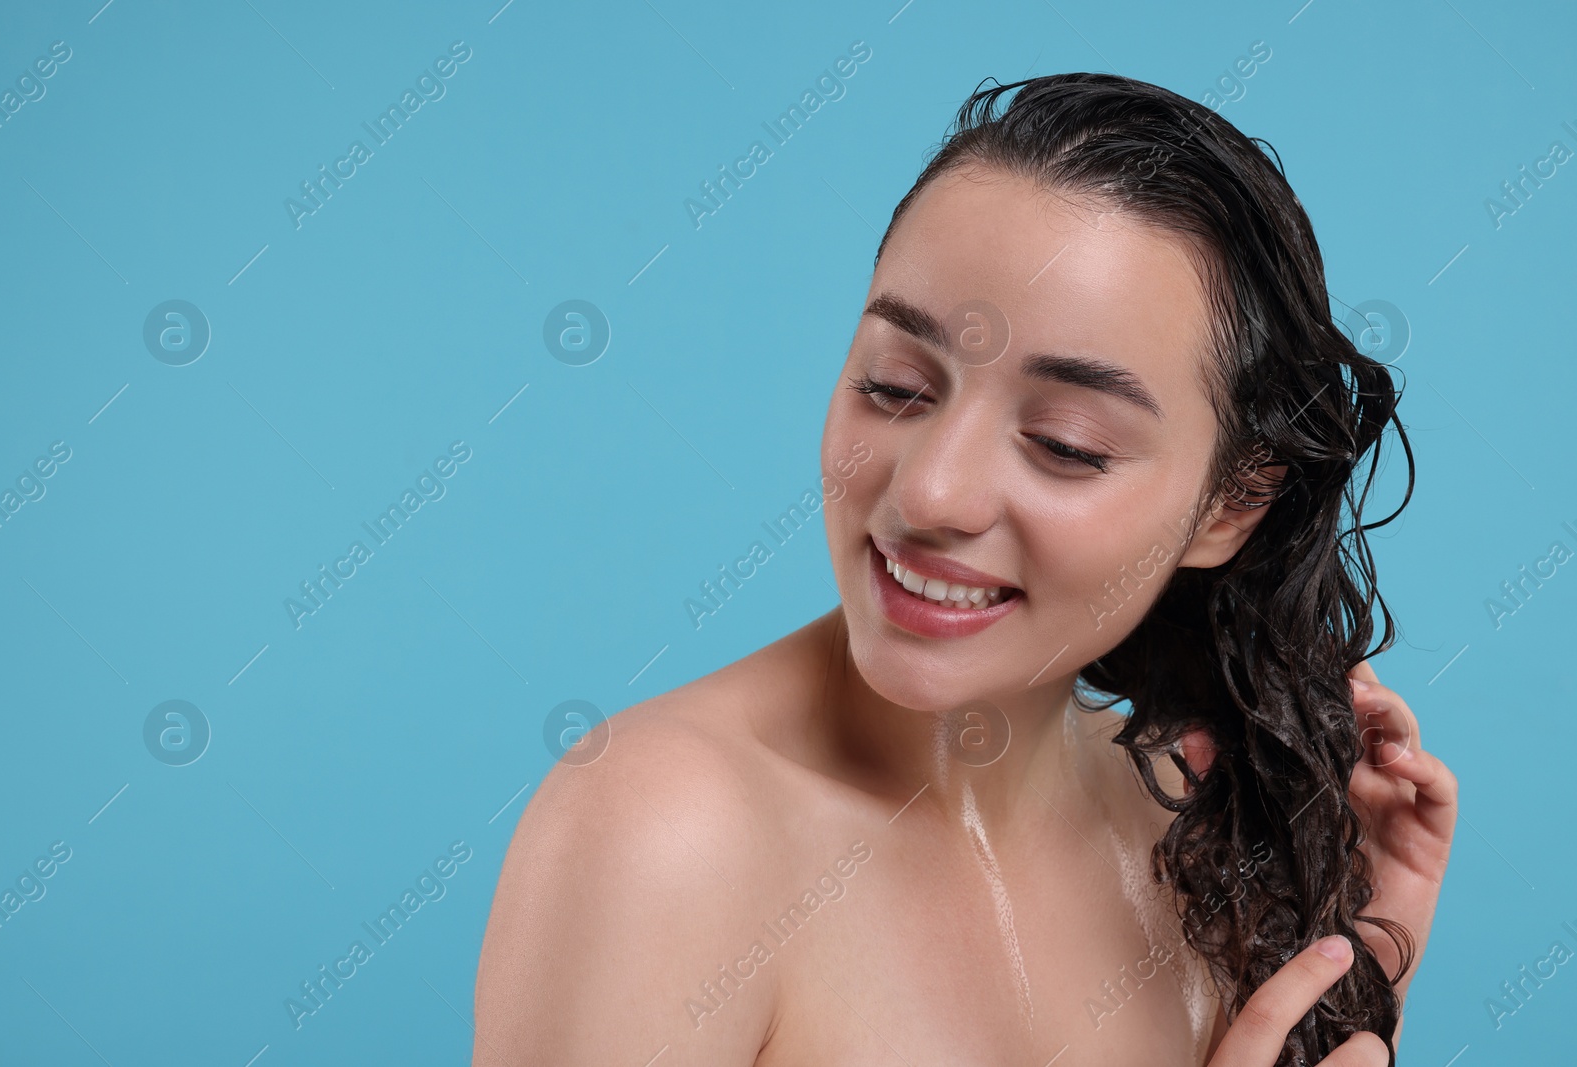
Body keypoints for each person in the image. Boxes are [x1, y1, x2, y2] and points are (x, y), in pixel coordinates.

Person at [472, 73, 1457, 1066]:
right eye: (894, 384)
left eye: (1066, 444)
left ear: (1229, 504)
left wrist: (1357, 960)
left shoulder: (1189, 824)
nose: (930, 493)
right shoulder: (662, 830)